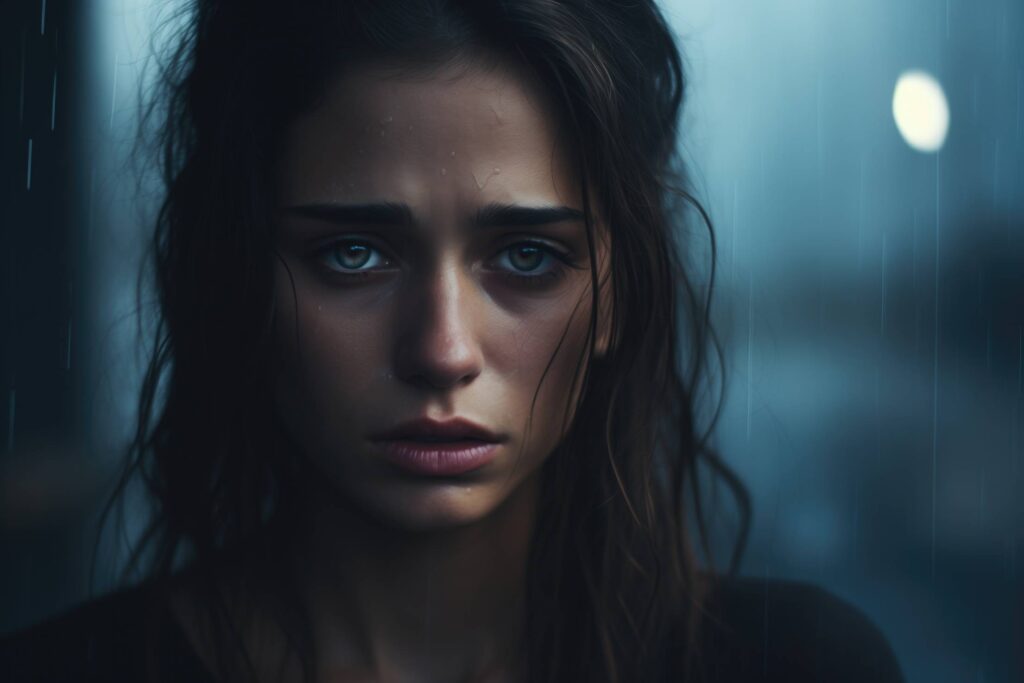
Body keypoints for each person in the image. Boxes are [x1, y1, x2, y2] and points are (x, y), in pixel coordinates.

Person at [0, 1, 905, 681]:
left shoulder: (799, 667)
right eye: (352, 254)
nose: (440, 350)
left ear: (620, 290)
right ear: (236, 275)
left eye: (525, 255)